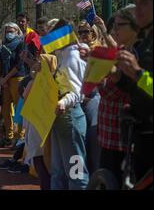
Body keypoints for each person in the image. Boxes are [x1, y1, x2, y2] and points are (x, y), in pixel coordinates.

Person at [92, 7, 139, 186]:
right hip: (110, 134)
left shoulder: (140, 54)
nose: (115, 30)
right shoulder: (126, 51)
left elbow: (113, 90)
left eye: (119, 26)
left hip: (123, 138)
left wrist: (101, 74)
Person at [115, 0, 153, 184]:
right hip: (139, 134)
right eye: (136, 2)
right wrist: (119, 76)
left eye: (145, 2)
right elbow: (134, 87)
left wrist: (137, 73)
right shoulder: (144, 42)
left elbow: (145, 80)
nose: (138, 9)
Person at [49, 19, 89, 190]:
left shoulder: (72, 56)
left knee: (75, 172)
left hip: (70, 118)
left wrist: (63, 101)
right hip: (61, 118)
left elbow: (76, 91)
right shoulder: (64, 54)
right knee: (58, 170)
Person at [77, 20, 102, 176]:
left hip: (94, 98)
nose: (82, 35)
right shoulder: (76, 50)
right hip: (78, 99)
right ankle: (80, 176)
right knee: (79, 140)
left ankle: (96, 176)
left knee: (93, 140)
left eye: (85, 31)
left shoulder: (99, 49)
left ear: (93, 32)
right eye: (80, 32)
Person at [0, 22, 25, 147]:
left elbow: (19, 64)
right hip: (5, 80)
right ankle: (9, 136)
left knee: (19, 108)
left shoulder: (21, 44)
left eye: (12, 31)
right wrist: (2, 79)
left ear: (17, 31)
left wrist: (7, 77)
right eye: (7, 31)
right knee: (6, 109)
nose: (9, 33)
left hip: (17, 78)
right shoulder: (3, 44)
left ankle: (20, 137)